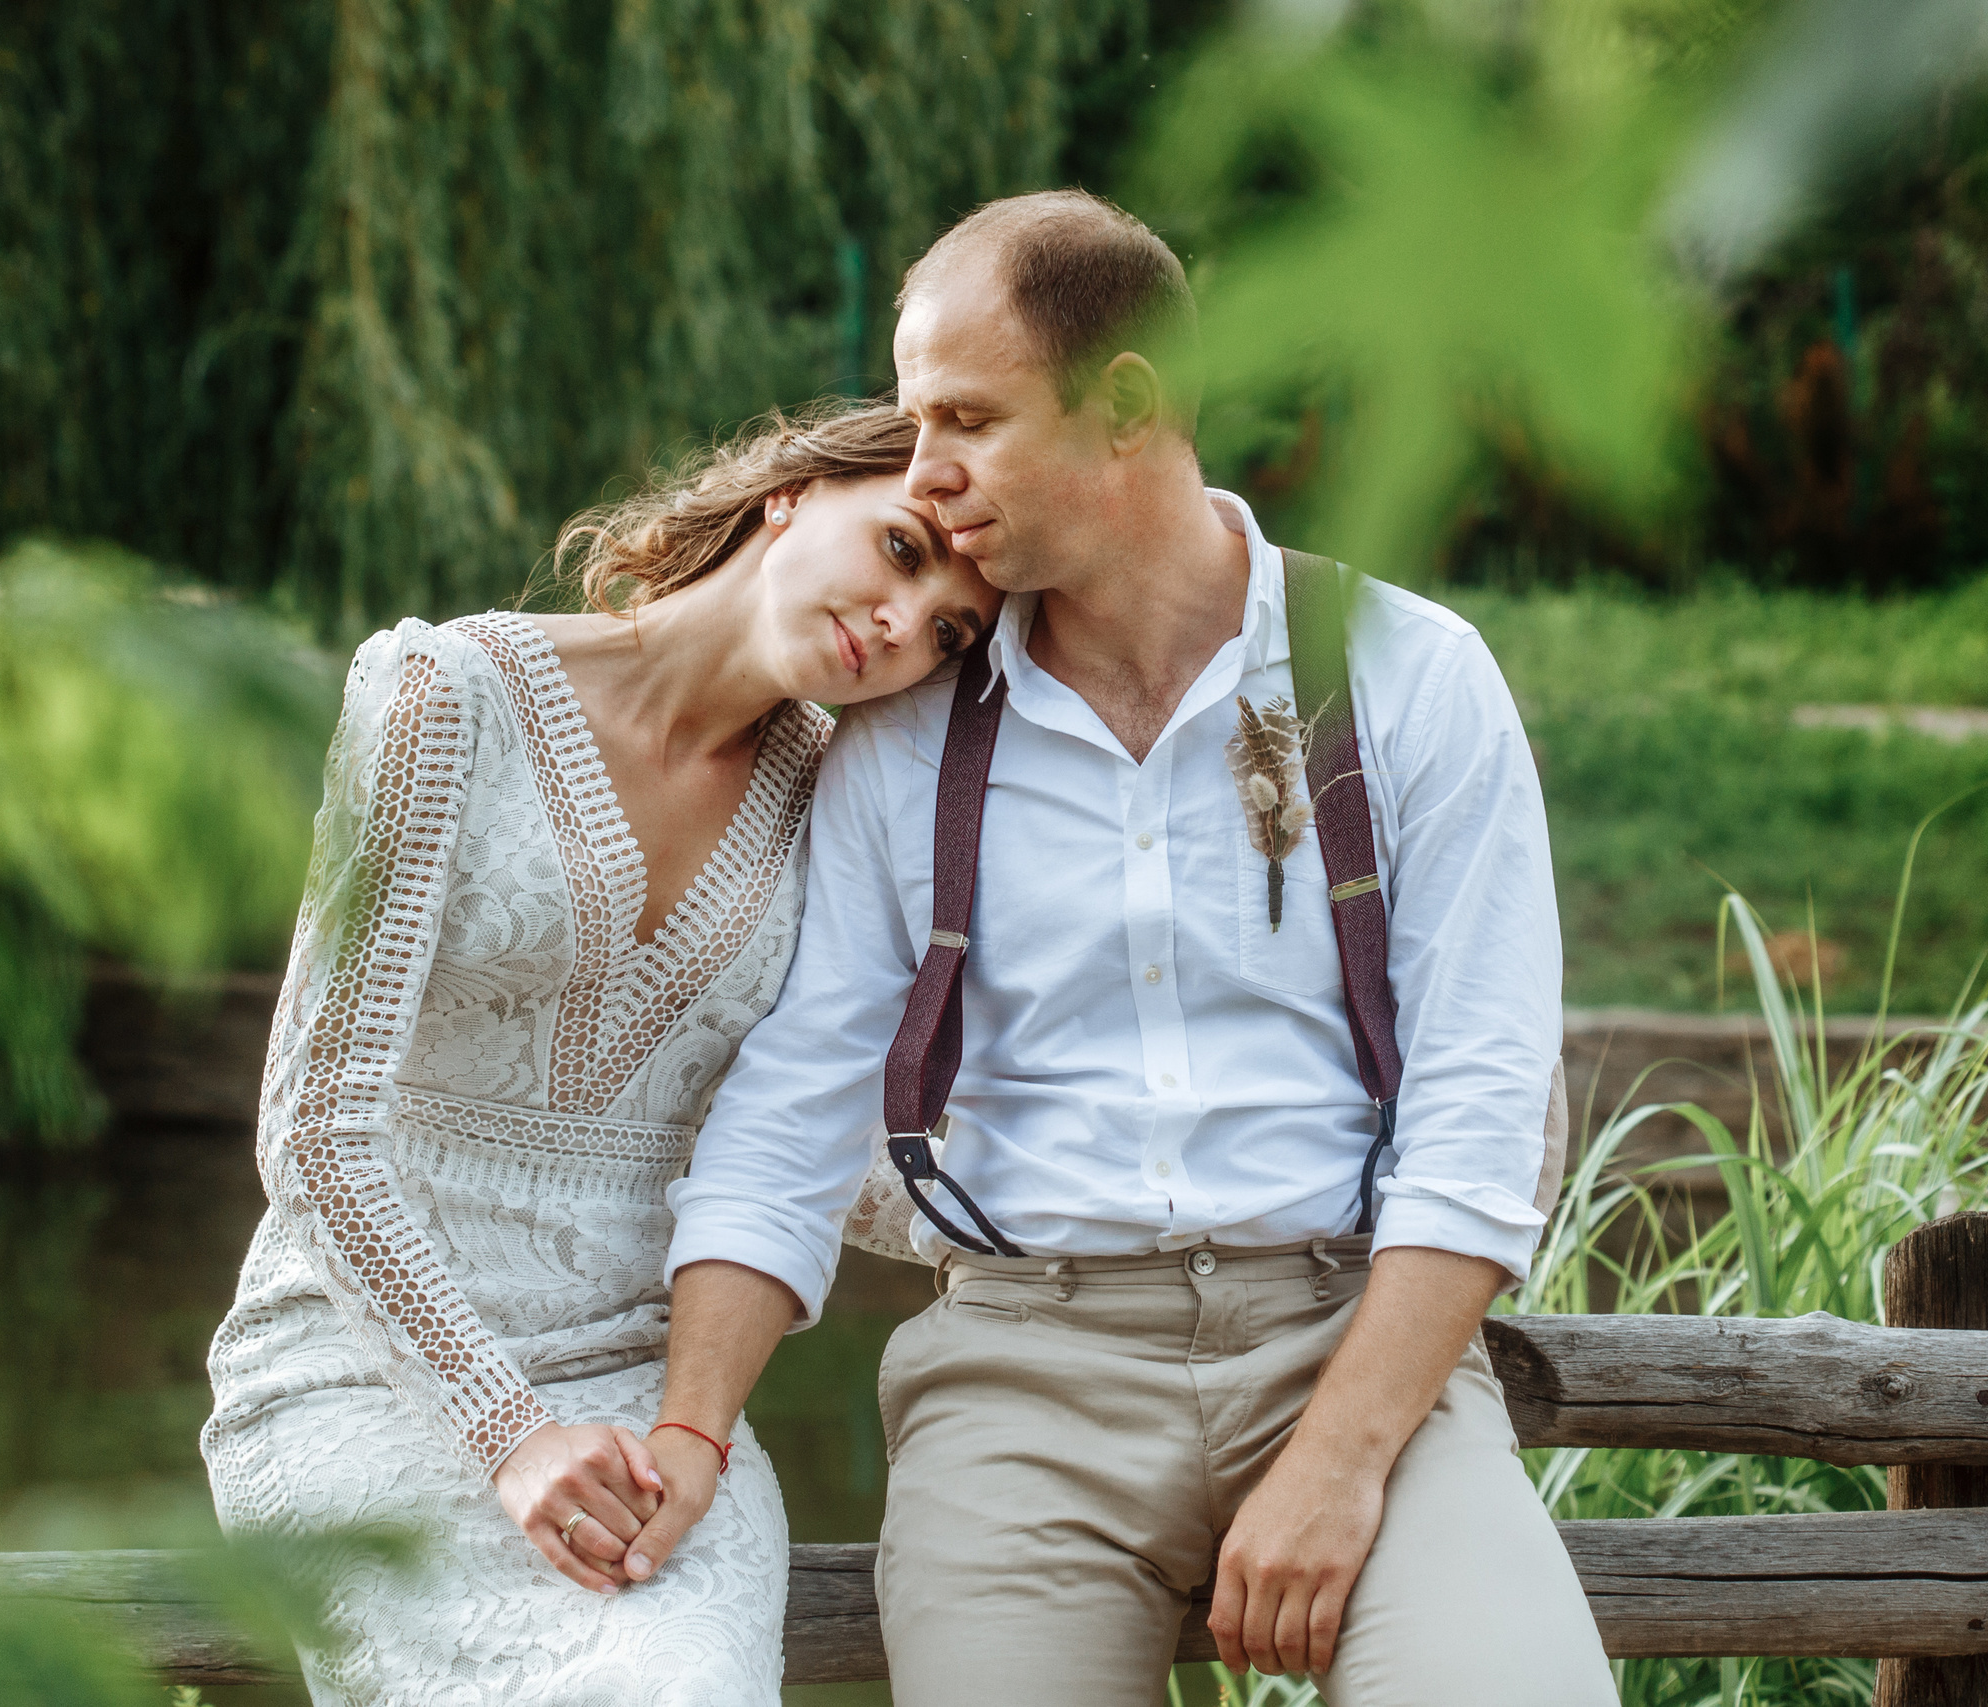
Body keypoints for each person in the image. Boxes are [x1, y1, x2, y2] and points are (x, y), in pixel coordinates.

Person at [622, 192, 1618, 1705]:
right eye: (911, 421)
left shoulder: (1409, 679)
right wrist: (691, 1427)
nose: (923, 471)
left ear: (1127, 406)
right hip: (1024, 1380)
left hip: (1351, 1352)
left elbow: (1480, 1117)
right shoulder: (904, 743)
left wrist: (1341, 1465)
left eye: (966, 416)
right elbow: (795, 1106)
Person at [199, 400, 1001, 1707]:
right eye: (905, 550)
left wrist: (1082, 1223)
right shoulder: (444, 695)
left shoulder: (834, 796)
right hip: (365, 1370)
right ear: (795, 490)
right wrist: (505, 1431)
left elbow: (814, 1155)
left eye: (952, 632)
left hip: (649, 1396)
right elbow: (312, 1133)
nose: (907, 624)